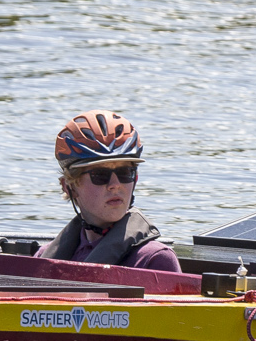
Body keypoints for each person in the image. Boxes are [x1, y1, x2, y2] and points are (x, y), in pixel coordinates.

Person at [36, 111, 182, 272]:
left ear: (135, 178)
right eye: (100, 175)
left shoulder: (154, 260)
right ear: (69, 186)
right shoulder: (43, 257)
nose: (115, 185)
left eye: (124, 173)